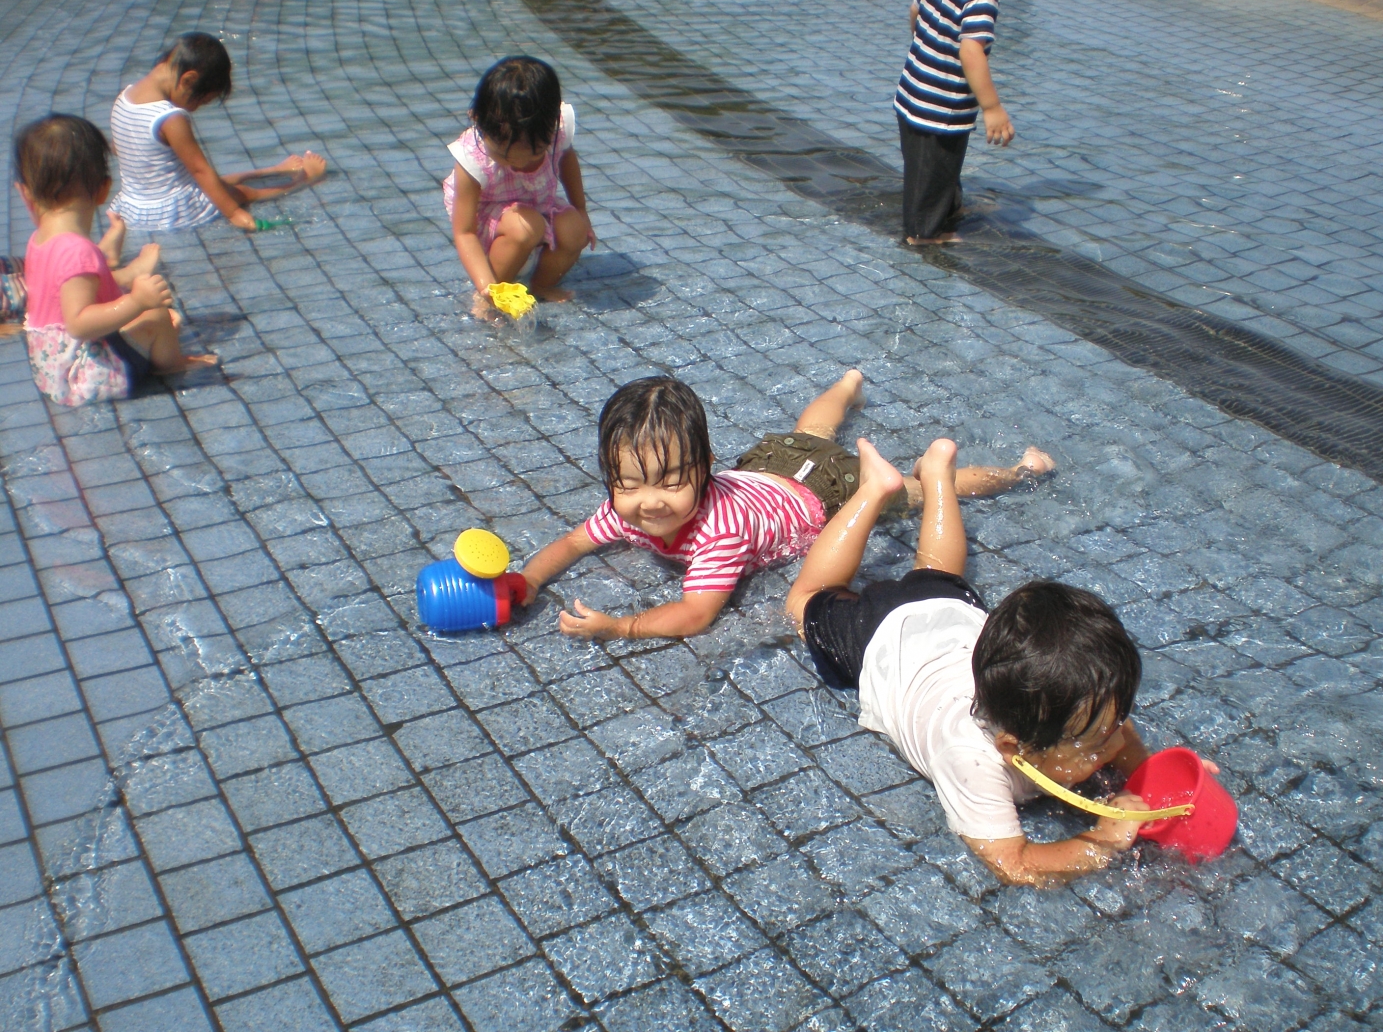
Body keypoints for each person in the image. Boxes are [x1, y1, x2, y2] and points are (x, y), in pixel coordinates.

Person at [784, 437, 1221, 885]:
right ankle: (873, 489)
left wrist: (1151, 779)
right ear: (1013, 749)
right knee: (805, 600)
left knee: (940, 575)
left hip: (957, 621)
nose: (1116, 747)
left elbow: (1117, 735)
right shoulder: (970, 760)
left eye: (1114, 728)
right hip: (882, 638)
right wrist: (1103, 842)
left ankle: (938, 476)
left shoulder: (1078, 706)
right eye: (1097, 744)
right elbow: (1012, 862)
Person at [520, 372, 1053, 640]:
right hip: (769, 466)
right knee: (812, 433)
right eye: (629, 484)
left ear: (706, 464)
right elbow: (572, 542)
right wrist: (529, 580)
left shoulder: (717, 533)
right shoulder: (626, 506)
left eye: (669, 482)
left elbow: (697, 613)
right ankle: (848, 384)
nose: (649, 502)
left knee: (920, 493)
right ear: (612, 476)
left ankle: (1019, 471)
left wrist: (622, 627)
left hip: (828, 493)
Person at [14, 115, 217, 406]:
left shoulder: (38, 241)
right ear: (104, 190)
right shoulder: (78, 251)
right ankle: (174, 366)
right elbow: (79, 324)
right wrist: (137, 302)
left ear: (26, 193)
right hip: (84, 380)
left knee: (150, 315)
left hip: (52, 373)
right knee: (158, 314)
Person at [109, 32, 326, 231]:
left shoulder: (126, 97)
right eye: (202, 101)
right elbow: (200, 170)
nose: (195, 109)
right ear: (188, 80)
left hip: (133, 207)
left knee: (215, 181)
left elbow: (119, 148)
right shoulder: (170, 117)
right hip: (171, 211)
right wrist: (235, 214)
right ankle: (303, 180)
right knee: (240, 192)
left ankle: (273, 169)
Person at [442, 56, 595, 320]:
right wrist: (486, 286)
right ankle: (492, 295)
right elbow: (464, 232)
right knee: (525, 226)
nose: (520, 162)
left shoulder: (556, 131)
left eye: (535, 153)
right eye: (504, 155)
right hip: (492, 220)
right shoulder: (472, 158)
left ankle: (540, 285)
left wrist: (581, 210)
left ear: (552, 126)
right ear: (477, 120)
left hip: (537, 204)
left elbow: (567, 158)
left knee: (574, 229)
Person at [895, 0, 1015, 244]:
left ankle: (950, 207)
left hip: (913, 87)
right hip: (943, 104)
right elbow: (971, 51)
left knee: (935, 165)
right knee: (934, 166)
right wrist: (992, 107)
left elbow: (915, 12)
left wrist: (928, 49)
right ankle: (923, 234)